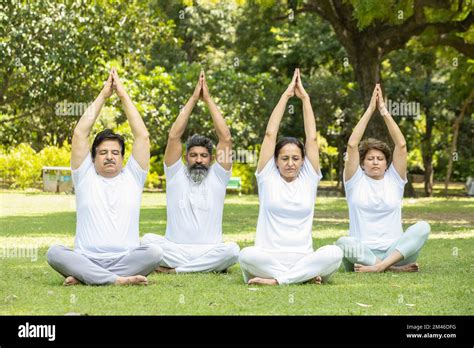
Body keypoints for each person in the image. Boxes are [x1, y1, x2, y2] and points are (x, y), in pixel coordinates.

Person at [47, 68, 162, 285]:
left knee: (154, 252)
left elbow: (142, 136)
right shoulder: (84, 176)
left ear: (122, 157)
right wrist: (103, 95)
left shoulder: (133, 177)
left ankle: (88, 277)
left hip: (125, 259)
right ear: (93, 158)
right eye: (103, 152)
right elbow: (80, 133)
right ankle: (116, 280)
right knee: (54, 252)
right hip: (86, 257)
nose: (109, 157)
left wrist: (122, 95)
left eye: (115, 153)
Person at [238, 69, 343, 286]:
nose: (290, 163)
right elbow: (269, 135)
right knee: (246, 254)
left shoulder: (308, 178)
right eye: (284, 158)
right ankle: (301, 277)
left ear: (303, 161)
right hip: (268, 259)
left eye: (296, 158)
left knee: (335, 253)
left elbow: (312, 139)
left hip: (302, 258)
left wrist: (305, 99)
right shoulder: (267, 177)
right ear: (275, 161)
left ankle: (280, 280)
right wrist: (286, 96)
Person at [141, 71, 239, 273]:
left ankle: (176, 271)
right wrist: (194, 98)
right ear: (186, 158)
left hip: (210, 249)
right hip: (175, 249)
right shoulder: (175, 174)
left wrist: (208, 99)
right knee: (146, 241)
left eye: (204, 156)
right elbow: (174, 137)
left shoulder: (218, 176)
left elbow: (226, 139)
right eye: (193, 155)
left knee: (232, 250)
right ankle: (203, 268)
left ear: (211, 159)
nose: (199, 160)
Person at [336, 84, 430, 273]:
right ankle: (392, 269)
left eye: (380, 159)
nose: (375, 162)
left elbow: (401, 145)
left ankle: (381, 266)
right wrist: (370, 110)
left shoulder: (395, 180)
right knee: (342, 242)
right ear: (362, 164)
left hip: (395, 251)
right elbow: (352, 145)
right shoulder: (354, 181)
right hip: (361, 252)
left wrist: (384, 111)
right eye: (370, 159)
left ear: (387, 163)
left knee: (423, 227)